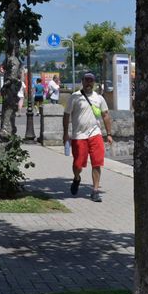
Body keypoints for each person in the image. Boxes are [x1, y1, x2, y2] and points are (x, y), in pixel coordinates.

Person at [63, 72, 114, 202]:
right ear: (82, 81)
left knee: (97, 163)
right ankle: (77, 178)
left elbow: (106, 115)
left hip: (95, 134)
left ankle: (95, 190)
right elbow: (66, 115)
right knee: (78, 164)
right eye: (86, 80)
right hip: (79, 135)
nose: (89, 83)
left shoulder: (99, 98)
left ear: (94, 82)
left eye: (91, 81)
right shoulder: (75, 97)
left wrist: (109, 134)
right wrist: (65, 133)